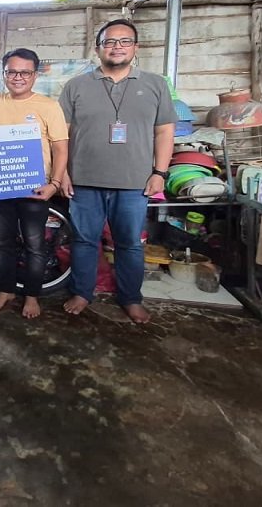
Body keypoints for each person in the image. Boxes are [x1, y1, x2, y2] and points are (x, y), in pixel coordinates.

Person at [58, 19, 177, 323]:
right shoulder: (76, 86)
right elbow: (62, 135)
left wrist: (159, 173)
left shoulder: (155, 84)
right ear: (98, 48)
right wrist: (63, 173)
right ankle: (82, 292)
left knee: (129, 243)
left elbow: (165, 132)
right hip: (83, 181)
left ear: (135, 48)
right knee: (84, 241)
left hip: (134, 182)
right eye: (110, 42)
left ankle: (131, 298)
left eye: (124, 41)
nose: (117, 47)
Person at [0, 48, 69, 318]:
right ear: (4, 74)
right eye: (12, 72)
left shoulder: (49, 106)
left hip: (36, 190)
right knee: (2, 241)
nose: (18, 77)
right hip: (0, 187)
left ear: (35, 75)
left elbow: (61, 148)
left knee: (34, 244)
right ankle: (6, 289)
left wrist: (54, 183)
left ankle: (32, 295)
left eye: (24, 72)